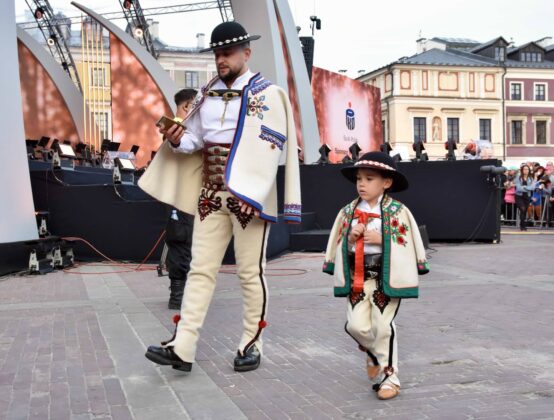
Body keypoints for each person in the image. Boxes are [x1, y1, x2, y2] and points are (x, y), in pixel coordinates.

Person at [139, 21, 301, 373]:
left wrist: (255, 194)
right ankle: (183, 346)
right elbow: (195, 142)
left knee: (249, 272)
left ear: (247, 52)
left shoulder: (267, 93)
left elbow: (272, 147)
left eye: (227, 52)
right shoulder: (205, 95)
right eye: (216, 53)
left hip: (248, 201)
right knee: (200, 271)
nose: (220, 59)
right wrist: (177, 138)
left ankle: (251, 343)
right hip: (211, 195)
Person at [322, 151, 429, 401]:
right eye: (359, 178)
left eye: (369, 179)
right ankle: (373, 356)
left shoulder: (397, 212)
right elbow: (338, 245)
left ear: (386, 182)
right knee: (356, 326)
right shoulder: (347, 212)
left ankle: (390, 377)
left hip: (385, 278)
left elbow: (409, 243)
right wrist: (350, 240)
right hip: (358, 277)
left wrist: (384, 240)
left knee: (383, 327)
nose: (361, 183)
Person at [164, 88, 197, 310]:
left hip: (192, 195)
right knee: (180, 241)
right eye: (195, 104)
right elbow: (180, 148)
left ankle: (187, 293)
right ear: (186, 105)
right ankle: (177, 295)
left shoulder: (189, 128)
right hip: (181, 197)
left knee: (191, 242)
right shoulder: (175, 128)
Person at [514, 164, 533, 231]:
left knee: (524, 211)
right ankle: (522, 226)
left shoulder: (530, 178)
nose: (526, 170)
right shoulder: (518, 177)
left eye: (527, 169)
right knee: (522, 209)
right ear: (522, 170)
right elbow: (518, 188)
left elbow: (532, 188)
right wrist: (528, 188)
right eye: (524, 169)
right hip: (519, 196)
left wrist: (525, 187)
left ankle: (522, 225)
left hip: (527, 196)